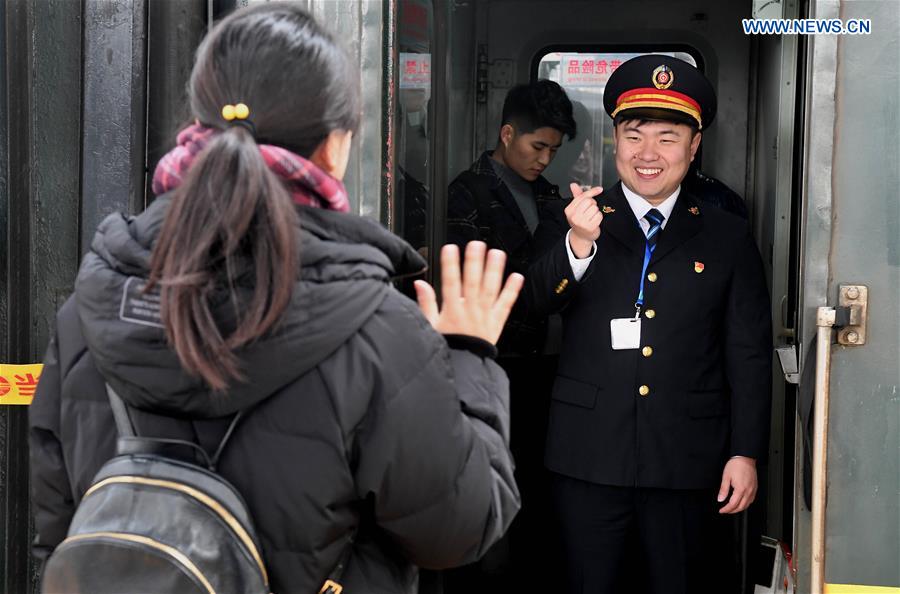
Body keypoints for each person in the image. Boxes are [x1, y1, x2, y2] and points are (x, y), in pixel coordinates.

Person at [28, 5, 523, 594]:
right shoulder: (377, 332)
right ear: (337, 146)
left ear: (197, 123)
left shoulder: (90, 307)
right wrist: (469, 355)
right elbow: (457, 530)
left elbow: (59, 527)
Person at [523, 54, 772, 594]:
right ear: (616, 139)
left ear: (694, 144)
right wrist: (578, 245)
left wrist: (745, 452)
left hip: (687, 460)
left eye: (667, 137)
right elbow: (534, 303)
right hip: (587, 458)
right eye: (634, 135)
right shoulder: (574, 216)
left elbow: (748, 353)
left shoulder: (726, 235)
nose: (649, 154)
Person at [444, 80, 575, 592]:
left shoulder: (546, 195)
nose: (544, 160)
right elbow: (494, 282)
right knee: (497, 476)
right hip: (495, 362)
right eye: (536, 146)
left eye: (553, 150)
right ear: (506, 133)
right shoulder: (465, 193)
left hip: (549, 360)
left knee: (542, 479)